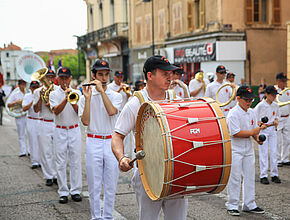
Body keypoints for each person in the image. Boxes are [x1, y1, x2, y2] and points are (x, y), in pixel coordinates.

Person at [111, 55, 188, 220]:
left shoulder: (177, 100)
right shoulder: (135, 103)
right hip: (147, 173)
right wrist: (122, 157)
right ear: (150, 76)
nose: (170, 77)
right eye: (164, 73)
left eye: (171, 73)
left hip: (176, 171)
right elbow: (118, 136)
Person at [79, 59, 122, 220]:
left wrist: (102, 92)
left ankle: (108, 217)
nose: (104, 78)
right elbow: (85, 121)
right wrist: (89, 98)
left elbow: (111, 111)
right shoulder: (85, 96)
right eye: (100, 75)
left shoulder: (115, 96)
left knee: (110, 184)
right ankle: (95, 217)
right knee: (94, 184)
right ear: (94, 76)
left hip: (111, 141)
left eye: (106, 75)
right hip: (93, 140)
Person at [225, 86, 266, 216]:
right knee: (235, 177)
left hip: (248, 148)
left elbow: (253, 129)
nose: (249, 102)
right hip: (235, 149)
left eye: (251, 99)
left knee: (249, 176)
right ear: (238, 99)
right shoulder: (233, 113)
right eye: (246, 99)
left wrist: (257, 138)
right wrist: (253, 132)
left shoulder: (251, 112)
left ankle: (249, 203)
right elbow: (235, 133)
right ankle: (232, 204)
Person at [49, 67, 82, 204]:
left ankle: (75, 191)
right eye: (61, 78)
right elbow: (56, 111)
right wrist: (65, 99)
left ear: (70, 79)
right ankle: (63, 191)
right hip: (60, 130)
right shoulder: (53, 93)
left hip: (74, 129)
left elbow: (79, 111)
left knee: (75, 161)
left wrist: (71, 97)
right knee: (60, 162)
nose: (63, 80)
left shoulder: (76, 92)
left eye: (66, 78)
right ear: (58, 78)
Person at [33, 69, 58, 186]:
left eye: (52, 77)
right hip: (43, 122)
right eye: (47, 77)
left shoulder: (57, 90)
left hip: (56, 122)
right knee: (45, 151)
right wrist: (40, 97)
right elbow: (36, 110)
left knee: (57, 151)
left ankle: (57, 175)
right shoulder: (37, 91)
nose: (49, 79)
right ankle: (48, 175)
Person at [254, 86, 281, 184]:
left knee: (274, 152)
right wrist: (261, 125)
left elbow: (277, 116)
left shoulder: (275, 105)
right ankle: (263, 175)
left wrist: (276, 121)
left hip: (272, 130)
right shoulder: (260, 106)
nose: (274, 97)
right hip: (263, 131)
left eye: (275, 95)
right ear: (267, 94)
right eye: (272, 95)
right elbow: (254, 119)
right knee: (263, 152)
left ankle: (274, 174)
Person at [22, 81, 40, 169]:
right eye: (33, 87)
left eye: (37, 87)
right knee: (32, 141)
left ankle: (41, 161)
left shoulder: (41, 95)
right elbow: (24, 108)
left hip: (40, 120)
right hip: (31, 120)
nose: (35, 89)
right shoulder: (27, 96)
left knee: (41, 142)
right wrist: (32, 102)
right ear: (30, 88)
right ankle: (34, 161)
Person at [7, 79, 27, 157]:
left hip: (27, 115)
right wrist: (16, 102)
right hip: (19, 115)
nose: (23, 86)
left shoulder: (28, 93)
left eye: (24, 84)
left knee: (30, 134)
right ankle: (22, 151)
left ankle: (30, 150)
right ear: (19, 85)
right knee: (21, 134)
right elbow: (8, 104)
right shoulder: (15, 94)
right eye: (21, 84)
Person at [274, 72, 290, 167]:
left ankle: (285, 158)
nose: (284, 83)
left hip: (287, 117)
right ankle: (278, 159)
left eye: (285, 81)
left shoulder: (288, 91)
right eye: (282, 81)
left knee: (287, 139)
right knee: (278, 140)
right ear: (277, 81)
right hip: (278, 118)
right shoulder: (274, 90)